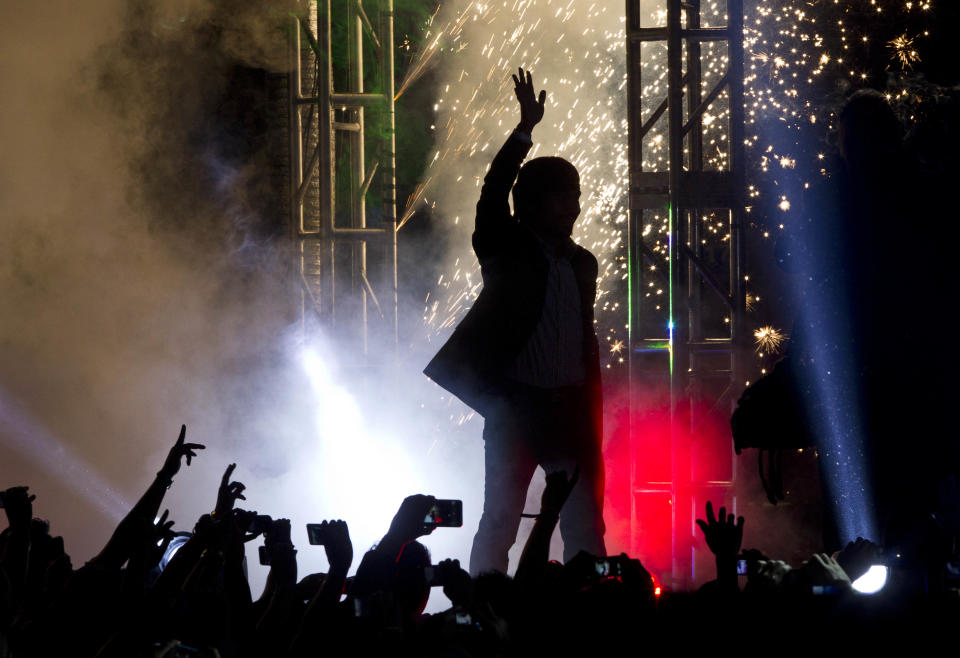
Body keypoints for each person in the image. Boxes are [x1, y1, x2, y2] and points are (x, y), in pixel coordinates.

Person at [424, 67, 606, 575]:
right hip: (517, 411)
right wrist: (524, 130)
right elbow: (492, 191)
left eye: (576, 194)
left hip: (571, 413)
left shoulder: (582, 263)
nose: (575, 205)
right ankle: (488, 612)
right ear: (533, 204)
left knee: (585, 523)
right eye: (564, 195)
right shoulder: (507, 249)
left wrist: (590, 409)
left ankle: (590, 612)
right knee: (501, 520)